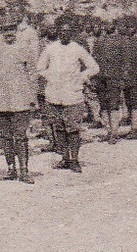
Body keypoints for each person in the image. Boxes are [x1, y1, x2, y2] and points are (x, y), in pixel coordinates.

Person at [37, 18, 99, 173]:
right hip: (54, 94)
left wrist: (81, 77)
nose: (65, 34)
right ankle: (64, 158)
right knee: (59, 128)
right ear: (58, 32)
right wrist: (50, 76)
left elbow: (94, 67)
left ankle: (74, 159)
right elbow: (40, 68)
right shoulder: (51, 49)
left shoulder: (77, 48)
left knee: (73, 129)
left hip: (72, 94)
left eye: (68, 31)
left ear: (72, 33)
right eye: (62, 31)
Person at [0, 11, 39, 183]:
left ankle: (24, 171)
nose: (9, 33)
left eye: (12, 29)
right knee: (5, 136)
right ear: (0, 31)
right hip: (0, 100)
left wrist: (32, 97)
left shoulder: (25, 49)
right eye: (5, 30)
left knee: (21, 136)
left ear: (16, 30)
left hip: (20, 99)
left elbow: (32, 74)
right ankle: (11, 169)